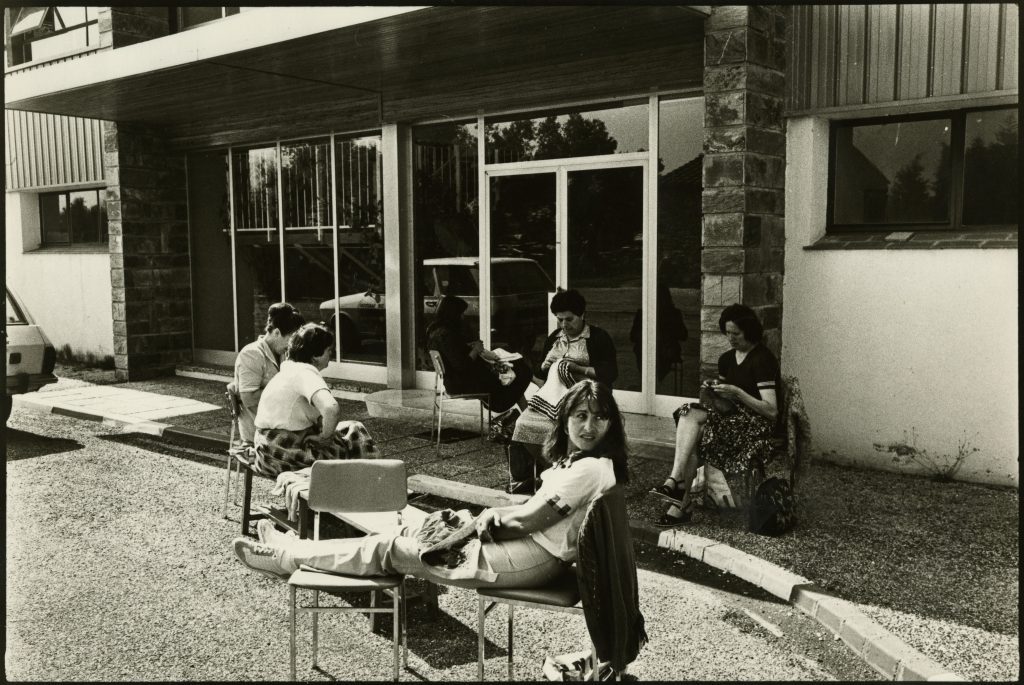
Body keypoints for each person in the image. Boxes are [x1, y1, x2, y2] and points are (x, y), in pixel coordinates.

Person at [232, 379, 629, 590]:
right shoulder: (594, 464)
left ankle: (290, 555)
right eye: (580, 416)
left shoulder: (588, 470)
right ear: (565, 420)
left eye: (598, 417)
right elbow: (528, 513)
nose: (589, 426)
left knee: (386, 546)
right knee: (416, 526)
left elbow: (527, 522)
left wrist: (478, 525)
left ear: (612, 422)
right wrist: (481, 519)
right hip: (531, 554)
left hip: (528, 559)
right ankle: (300, 549)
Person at [650, 303, 781, 527]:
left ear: (749, 331)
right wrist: (713, 391)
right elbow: (722, 405)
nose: (730, 338)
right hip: (730, 420)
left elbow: (771, 411)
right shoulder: (727, 359)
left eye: (736, 333)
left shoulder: (762, 359)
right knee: (689, 416)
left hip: (754, 426)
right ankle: (678, 488)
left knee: (695, 429)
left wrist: (737, 393)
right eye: (727, 332)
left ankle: (679, 493)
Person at [506, 289, 618, 494]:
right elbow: (543, 374)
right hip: (556, 395)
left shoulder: (598, 337)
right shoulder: (555, 338)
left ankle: (563, 473)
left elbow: (610, 373)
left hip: (588, 395)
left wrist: (576, 368)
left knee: (558, 425)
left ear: (582, 315)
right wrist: (546, 366)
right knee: (523, 423)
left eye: (569, 319)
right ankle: (534, 474)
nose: (564, 325)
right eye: (560, 320)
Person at [252, 323, 380, 478]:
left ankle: (367, 482)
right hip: (286, 454)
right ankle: (376, 483)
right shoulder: (304, 373)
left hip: (266, 452)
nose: (331, 356)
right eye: (329, 351)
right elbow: (331, 409)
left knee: (349, 432)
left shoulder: (288, 370)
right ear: (315, 355)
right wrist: (325, 438)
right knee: (356, 433)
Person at [426, 295, 532, 419]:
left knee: (511, 377)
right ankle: (520, 414)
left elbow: (452, 354)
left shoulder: (435, 332)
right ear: (453, 314)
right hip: (462, 384)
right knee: (520, 372)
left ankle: (525, 415)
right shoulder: (446, 335)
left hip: (453, 382)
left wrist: (466, 347)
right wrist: (476, 350)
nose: (463, 317)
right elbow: (462, 365)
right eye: (461, 314)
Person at [229, 302, 305, 445]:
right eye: (290, 339)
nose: (292, 346)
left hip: (282, 426)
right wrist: (283, 388)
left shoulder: (284, 353)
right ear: (276, 332)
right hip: (261, 432)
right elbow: (249, 398)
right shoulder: (251, 354)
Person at [628, 283, 687, 384]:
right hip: (650, 353)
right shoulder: (643, 314)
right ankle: (651, 381)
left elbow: (683, 335)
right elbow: (633, 336)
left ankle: (651, 381)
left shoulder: (673, 314)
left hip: (663, 353)